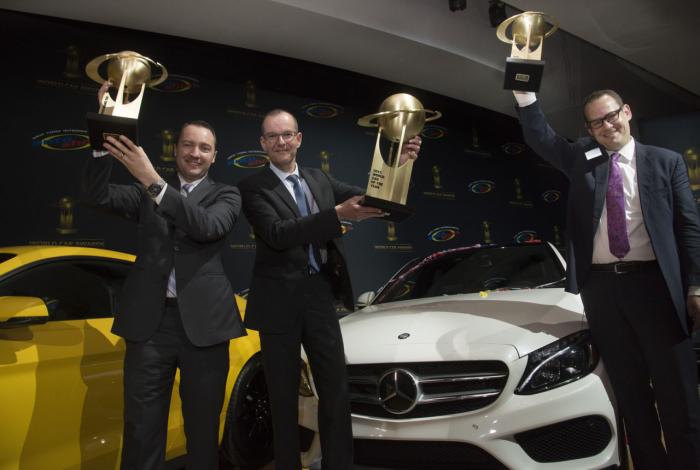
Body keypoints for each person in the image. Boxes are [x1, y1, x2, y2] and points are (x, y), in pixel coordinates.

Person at [513, 89, 700, 469]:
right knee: (630, 395)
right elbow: (542, 138)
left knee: (678, 395)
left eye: (612, 115)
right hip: (602, 292)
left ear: (627, 112)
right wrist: (525, 95)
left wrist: (696, 285)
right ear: (589, 129)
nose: (607, 126)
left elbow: (688, 227)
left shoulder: (665, 162)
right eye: (597, 122)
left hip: (657, 289)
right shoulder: (581, 158)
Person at [238, 109, 421, 469]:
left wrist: (397, 167)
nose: (281, 142)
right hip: (278, 304)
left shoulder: (318, 178)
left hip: (320, 295)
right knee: (282, 397)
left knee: (336, 390)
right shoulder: (252, 186)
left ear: (299, 139)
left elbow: (371, 200)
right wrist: (336, 214)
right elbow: (278, 233)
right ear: (263, 143)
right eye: (273, 136)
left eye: (287, 134)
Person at [82, 81, 245, 470]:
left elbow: (205, 226)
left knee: (202, 431)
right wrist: (102, 136)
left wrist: (153, 181)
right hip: (150, 327)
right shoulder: (144, 193)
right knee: (141, 429)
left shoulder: (227, 195)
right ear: (176, 149)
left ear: (214, 156)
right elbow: (96, 196)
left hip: (205, 329)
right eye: (188, 144)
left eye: (204, 147)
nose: (195, 153)